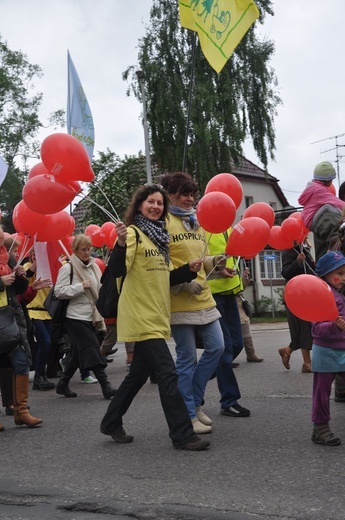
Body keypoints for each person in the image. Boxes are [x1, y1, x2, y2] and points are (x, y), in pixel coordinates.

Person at [100, 185, 210, 451]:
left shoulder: (160, 239)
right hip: (140, 314)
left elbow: (165, 278)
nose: (156, 207)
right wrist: (120, 243)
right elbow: (116, 270)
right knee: (167, 373)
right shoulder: (135, 234)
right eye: (150, 202)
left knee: (137, 375)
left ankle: (111, 421)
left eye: (160, 203)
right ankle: (182, 435)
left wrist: (188, 270)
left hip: (158, 314)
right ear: (139, 205)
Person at [161, 172, 225, 433]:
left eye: (192, 195)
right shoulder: (163, 222)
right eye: (185, 194)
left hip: (204, 296)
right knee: (186, 359)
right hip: (179, 298)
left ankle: (195, 401)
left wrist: (217, 264)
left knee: (218, 348)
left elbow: (204, 258)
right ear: (171, 195)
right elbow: (159, 265)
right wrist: (184, 282)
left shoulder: (198, 222)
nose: (190, 199)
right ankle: (188, 412)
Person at [54, 234, 117, 399]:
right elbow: (58, 291)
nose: (87, 252)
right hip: (75, 317)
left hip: (93, 316)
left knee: (76, 353)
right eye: (83, 249)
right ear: (75, 250)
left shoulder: (95, 267)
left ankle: (62, 384)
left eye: (89, 249)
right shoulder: (68, 268)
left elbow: (100, 289)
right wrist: (80, 287)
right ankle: (106, 386)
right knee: (91, 349)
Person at [206, 230, 252, 418]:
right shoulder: (203, 229)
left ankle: (199, 375)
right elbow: (200, 262)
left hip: (230, 293)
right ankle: (229, 401)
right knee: (224, 351)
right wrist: (219, 269)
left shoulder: (230, 229)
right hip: (212, 295)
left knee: (237, 344)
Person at [0, 226, 42, 431]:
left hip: (11, 318)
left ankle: (21, 411)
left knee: (21, 362)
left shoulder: (7, 259)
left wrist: (21, 276)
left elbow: (19, 291)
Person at [310, 251, 345, 446]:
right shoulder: (321, 295)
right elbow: (316, 328)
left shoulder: (339, 292)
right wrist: (334, 326)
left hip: (342, 349)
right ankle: (320, 428)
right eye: (339, 273)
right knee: (322, 393)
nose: (343, 278)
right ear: (324, 275)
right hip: (325, 351)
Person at [279, 239, 315, 373]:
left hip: (307, 293)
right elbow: (285, 272)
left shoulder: (304, 247)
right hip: (295, 294)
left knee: (305, 329)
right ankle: (306, 364)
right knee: (302, 329)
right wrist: (298, 262)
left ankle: (287, 351)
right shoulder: (289, 249)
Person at [24, 248, 55, 390]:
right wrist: (37, 263)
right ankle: (38, 377)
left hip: (47, 312)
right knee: (45, 342)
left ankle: (43, 374)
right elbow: (24, 277)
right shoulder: (27, 267)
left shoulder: (50, 269)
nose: (36, 256)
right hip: (33, 311)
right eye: (34, 253)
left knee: (49, 343)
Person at [298, 161, 345, 232]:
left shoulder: (312, 187)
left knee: (329, 206)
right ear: (328, 180)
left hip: (309, 219)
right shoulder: (319, 190)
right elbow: (336, 202)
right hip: (312, 221)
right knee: (328, 206)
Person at [236, 267, 263, 363]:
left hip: (238, 304)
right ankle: (227, 358)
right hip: (229, 304)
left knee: (245, 325)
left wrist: (244, 277)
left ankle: (251, 354)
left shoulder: (234, 268)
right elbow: (237, 288)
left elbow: (239, 287)